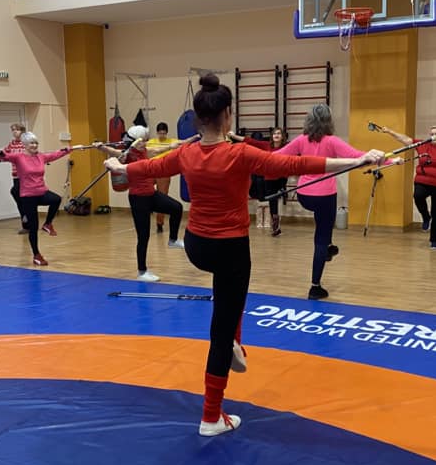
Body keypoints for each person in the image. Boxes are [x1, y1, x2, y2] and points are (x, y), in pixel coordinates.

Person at [104, 74, 384, 437]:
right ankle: (211, 415)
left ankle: (233, 340)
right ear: (228, 115)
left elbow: (153, 167)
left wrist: (122, 168)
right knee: (222, 329)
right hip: (230, 248)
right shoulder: (240, 154)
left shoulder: (186, 152)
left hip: (196, 246)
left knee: (229, 298)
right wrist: (356, 160)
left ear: (198, 118)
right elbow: (295, 166)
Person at [274, 104, 379, 299]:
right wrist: (391, 161)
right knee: (321, 237)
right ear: (328, 121)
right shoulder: (332, 141)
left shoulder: (301, 140)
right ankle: (315, 286)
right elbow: (358, 156)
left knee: (323, 224)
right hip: (324, 197)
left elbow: (276, 157)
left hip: (304, 196)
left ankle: (329, 247)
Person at [95, 125, 189, 282]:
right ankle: (142, 271)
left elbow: (160, 149)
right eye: (142, 141)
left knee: (176, 207)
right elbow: (113, 151)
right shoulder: (127, 154)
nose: (144, 143)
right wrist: (101, 147)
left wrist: (182, 143)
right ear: (134, 141)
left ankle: (173, 240)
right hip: (138, 199)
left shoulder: (146, 151)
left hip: (151, 194)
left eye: (145, 140)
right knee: (143, 237)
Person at [0, 132, 73, 267]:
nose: (34, 145)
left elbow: (55, 155)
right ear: (25, 145)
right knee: (33, 228)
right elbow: (5, 155)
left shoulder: (41, 156)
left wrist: (69, 149)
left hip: (41, 192)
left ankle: (48, 224)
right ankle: (36, 255)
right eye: (31, 143)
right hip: (28, 196)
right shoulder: (19, 157)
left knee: (56, 199)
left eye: (36, 143)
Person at [229, 127, 289, 236]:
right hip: (270, 178)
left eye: (279, 133)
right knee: (272, 201)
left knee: (279, 198)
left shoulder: (287, 147)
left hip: (281, 178)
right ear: (271, 136)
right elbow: (250, 141)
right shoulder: (266, 145)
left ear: (282, 136)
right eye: (274, 133)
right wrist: (233, 136)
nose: (276, 135)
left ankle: (277, 221)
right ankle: (275, 226)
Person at [145, 121, 172, 234]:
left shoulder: (171, 142)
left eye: (164, 133)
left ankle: (159, 223)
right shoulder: (151, 142)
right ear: (157, 133)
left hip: (164, 172)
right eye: (160, 133)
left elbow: (182, 144)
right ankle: (146, 214)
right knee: (144, 192)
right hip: (151, 170)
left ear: (166, 133)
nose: (162, 135)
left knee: (162, 197)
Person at [4, 123, 29, 234]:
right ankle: (25, 222)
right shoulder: (12, 144)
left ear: (22, 131)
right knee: (19, 198)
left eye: (17, 130)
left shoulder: (26, 143)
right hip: (15, 175)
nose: (14, 132)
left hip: (25, 175)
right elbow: (4, 155)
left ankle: (27, 220)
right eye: (13, 130)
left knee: (17, 193)